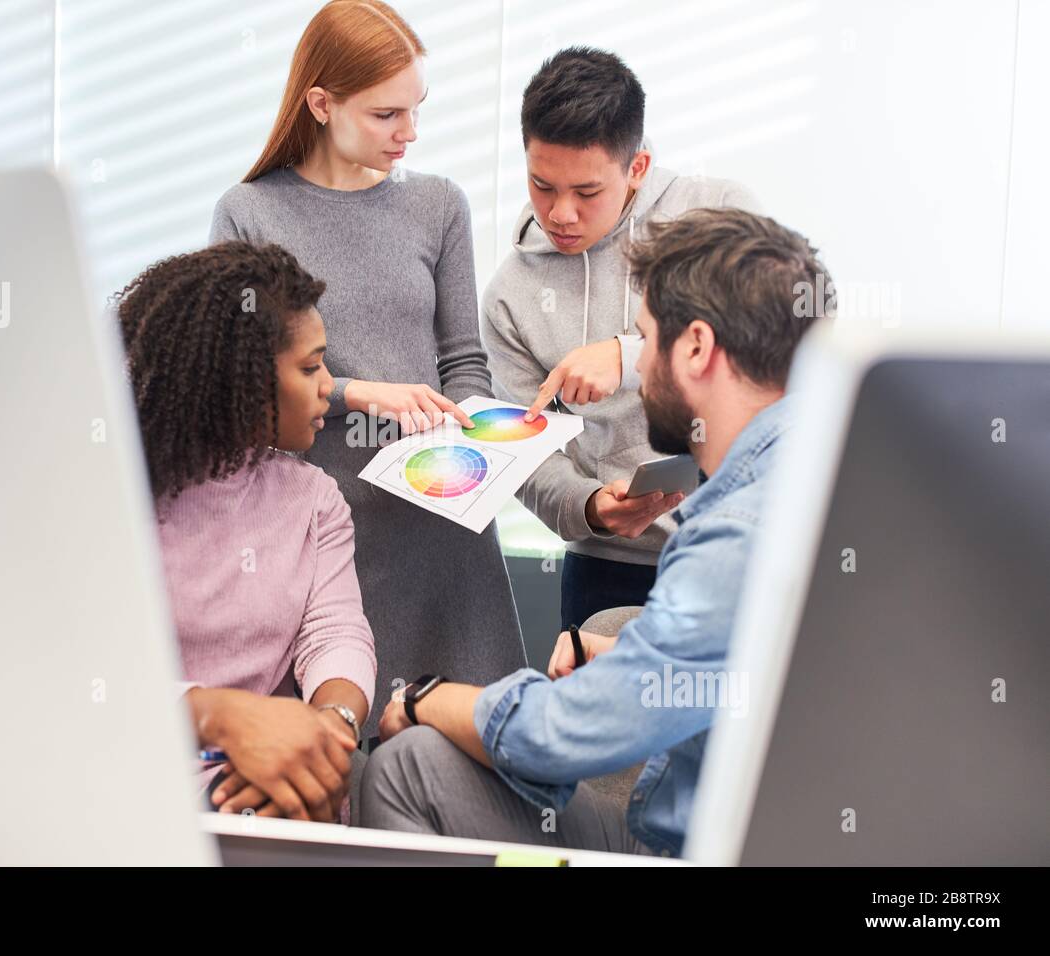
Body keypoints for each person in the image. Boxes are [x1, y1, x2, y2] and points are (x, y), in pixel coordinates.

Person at [360, 208, 834, 857]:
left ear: (695, 347)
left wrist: (426, 699)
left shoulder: (735, 535)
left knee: (408, 760)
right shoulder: (829, 480)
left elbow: (560, 737)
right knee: (612, 628)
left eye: (646, 342)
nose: (638, 377)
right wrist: (636, 661)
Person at [210, 0, 525, 744]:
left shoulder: (438, 205)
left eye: (417, 110)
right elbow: (244, 383)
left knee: (480, 778)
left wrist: (486, 430)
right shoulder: (249, 214)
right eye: (387, 115)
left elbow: (462, 361)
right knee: (342, 773)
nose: (409, 134)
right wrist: (358, 393)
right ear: (321, 103)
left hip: (445, 531)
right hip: (325, 536)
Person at [480, 46, 762, 629]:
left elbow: (777, 341)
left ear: (637, 167)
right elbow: (520, 449)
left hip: (735, 552)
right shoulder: (510, 292)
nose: (560, 214)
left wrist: (631, 355)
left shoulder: (716, 214)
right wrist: (589, 509)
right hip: (603, 562)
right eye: (541, 184)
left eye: (586, 192)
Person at [115, 240, 376, 823]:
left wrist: (330, 729)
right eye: (309, 368)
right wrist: (219, 718)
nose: (328, 386)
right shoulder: (111, 499)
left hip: (257, 778)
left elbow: (335, 634)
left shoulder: (314, 500)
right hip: (125, 778)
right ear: (243, 380)